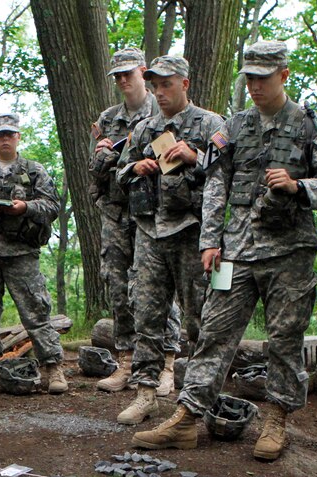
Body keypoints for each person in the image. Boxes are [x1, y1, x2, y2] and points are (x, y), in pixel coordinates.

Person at [132, 40, 317, 461]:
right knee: (214, 331)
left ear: (284, 75)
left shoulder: (310, 125)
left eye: (263, 78)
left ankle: (277, 417)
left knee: (284, 338)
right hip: (238, 250)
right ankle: (188, 416)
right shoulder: (235, 126)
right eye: (249, 78)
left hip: (290, 251)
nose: (255, 86)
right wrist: (211, 239)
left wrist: (300, 186)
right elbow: (216, 184)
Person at [115, 56, 225, 424]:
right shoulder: (145, 129)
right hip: (150, 232)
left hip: (192, 233)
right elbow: (119, 173)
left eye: (167, 85)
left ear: (185, 84)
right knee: (146, 314)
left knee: (199, 319)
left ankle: (194, 399)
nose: (160, 92)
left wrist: (195, 157)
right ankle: (145, 393)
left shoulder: (211, 124)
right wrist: (135, 167)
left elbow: (230, 177)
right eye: (155, 86)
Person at [89, 47, 182, 395]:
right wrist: (105, 158)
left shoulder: (163, 113)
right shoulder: (108, 118)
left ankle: (167, 364)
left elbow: (172, 165)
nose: (124, 80)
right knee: (117, 286)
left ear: (144, 73)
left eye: (129, 73)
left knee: (156, 289)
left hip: (153, 213)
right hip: (116, 211)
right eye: (117, 76)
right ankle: (126, 361)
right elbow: (95, 170)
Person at [0, 113, 66, 394]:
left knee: (35, 310)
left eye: (10, 134)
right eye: (0, 135)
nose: (5, 139)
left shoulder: (34, 171)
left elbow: (52, 206)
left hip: (21, 252)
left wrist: (25, 208)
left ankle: (53, 367)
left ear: (18, 136)